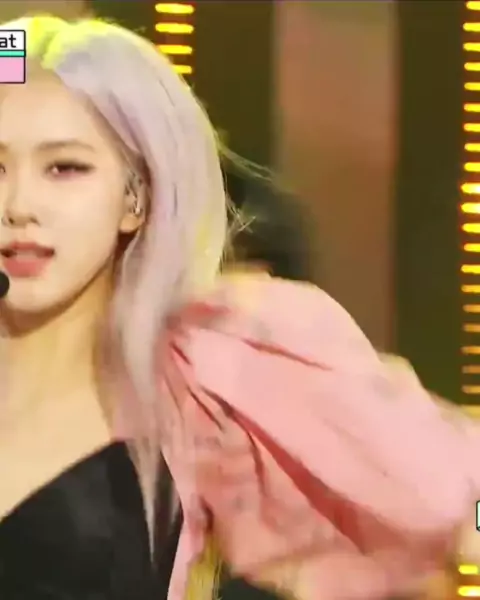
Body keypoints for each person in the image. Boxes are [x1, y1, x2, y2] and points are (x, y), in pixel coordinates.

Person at [0, 14, 478, 600]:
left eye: (64, 169)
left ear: (135, 199)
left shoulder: (207, 374)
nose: (18, 205)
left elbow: (459, 503)